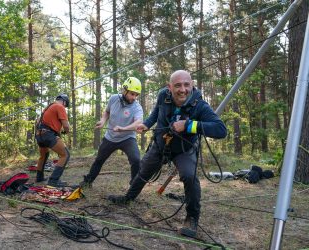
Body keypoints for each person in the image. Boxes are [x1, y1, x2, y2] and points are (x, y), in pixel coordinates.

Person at [107, 70, 227, 238]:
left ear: (191, 85)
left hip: (184, 150)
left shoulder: (200, 105)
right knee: (143, 171)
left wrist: (189, 125)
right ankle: (128, 198)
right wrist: (147, 124)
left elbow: (221, 130)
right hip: (160, 145)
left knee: (189, 176)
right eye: (177, 85)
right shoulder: (163, 96)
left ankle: (192, 218)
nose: (182, 89)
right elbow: (156, 112)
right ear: (169, 87)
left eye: (186, 85)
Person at [80, 77, 144, 188]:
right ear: (125, 90)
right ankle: (88, 182)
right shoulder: (114, 98)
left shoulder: (137, 107)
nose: (134, 97)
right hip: (110, 137)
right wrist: (103, 121)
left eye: (136, 95)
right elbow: (107, 112)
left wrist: (123, 129)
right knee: (99, 160)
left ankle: (134, 186)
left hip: (127, 138)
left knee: (136, 159)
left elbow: (138, 123)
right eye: (132, 94)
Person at [35, 94, 70, 187]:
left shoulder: (47, 108)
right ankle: (53, 181)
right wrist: (67, 131)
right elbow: (66, 125)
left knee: (44, 155)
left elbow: (39, 121)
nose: (65, 107)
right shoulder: (60, 106)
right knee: (65, 155)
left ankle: (39, 177)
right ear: (64, 102)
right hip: (48, 134)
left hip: (39, 135)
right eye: (65, 105)